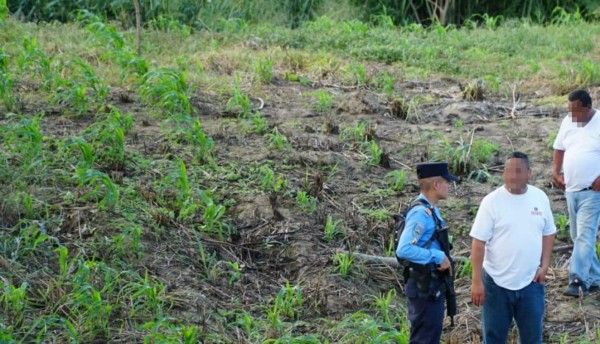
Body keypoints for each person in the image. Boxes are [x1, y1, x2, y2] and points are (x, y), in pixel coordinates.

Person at [470, 152, 556, 344]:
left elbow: (549, 232)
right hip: (496, 283)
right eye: (508, 171)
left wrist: (545, 265)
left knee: (532, 338)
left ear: (529, 173)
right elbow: (478, 243)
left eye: (518, 171)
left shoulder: (539, 197)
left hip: (531, 282)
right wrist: (477, 281)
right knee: (493, 338)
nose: (512, 176)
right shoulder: (491, 202)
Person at [396, 162, 457, 344]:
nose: (449, 186)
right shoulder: (421, 213)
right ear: (436, 185)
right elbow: (404, 249)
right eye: (446, 182)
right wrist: (438, 256)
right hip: (424, 286)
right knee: (424, 339)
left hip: (431, 286)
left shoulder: (431, 209)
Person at [552, 89, 600, 297]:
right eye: (569, 110)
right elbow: (559, 147)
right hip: (571, 189)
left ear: (588, 108)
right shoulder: (567, 122)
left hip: (593, 192)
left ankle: (578, 280)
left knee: (585, 235)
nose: (571, 115)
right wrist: (556, 171)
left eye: (575, 110)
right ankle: (596, 277)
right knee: (577, 236)